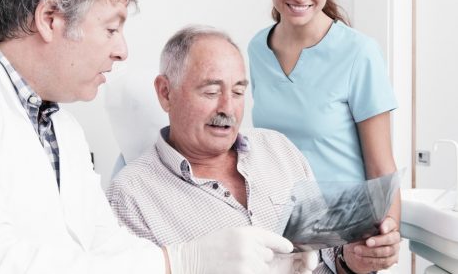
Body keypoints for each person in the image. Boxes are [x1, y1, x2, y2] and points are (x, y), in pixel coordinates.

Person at [0, 0, 296, 273]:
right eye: (111, 29)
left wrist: (191, 259)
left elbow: (108, 245)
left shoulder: (61, 129)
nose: (122, 51)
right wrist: (180, 262)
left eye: (239, 90)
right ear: (50, 19)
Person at [107, 24, 354, 274]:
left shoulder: (279, 150)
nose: (228, 108)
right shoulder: (130, 196)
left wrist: (352, 259)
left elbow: (330, 257)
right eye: (211, 91)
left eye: (238, 92)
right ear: (166, 93)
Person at [248, 0, 401, 272]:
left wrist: (382, 241)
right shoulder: (257, 49)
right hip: (283, 240)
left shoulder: (359, 53)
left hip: (346, 244)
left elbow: (381, 167)